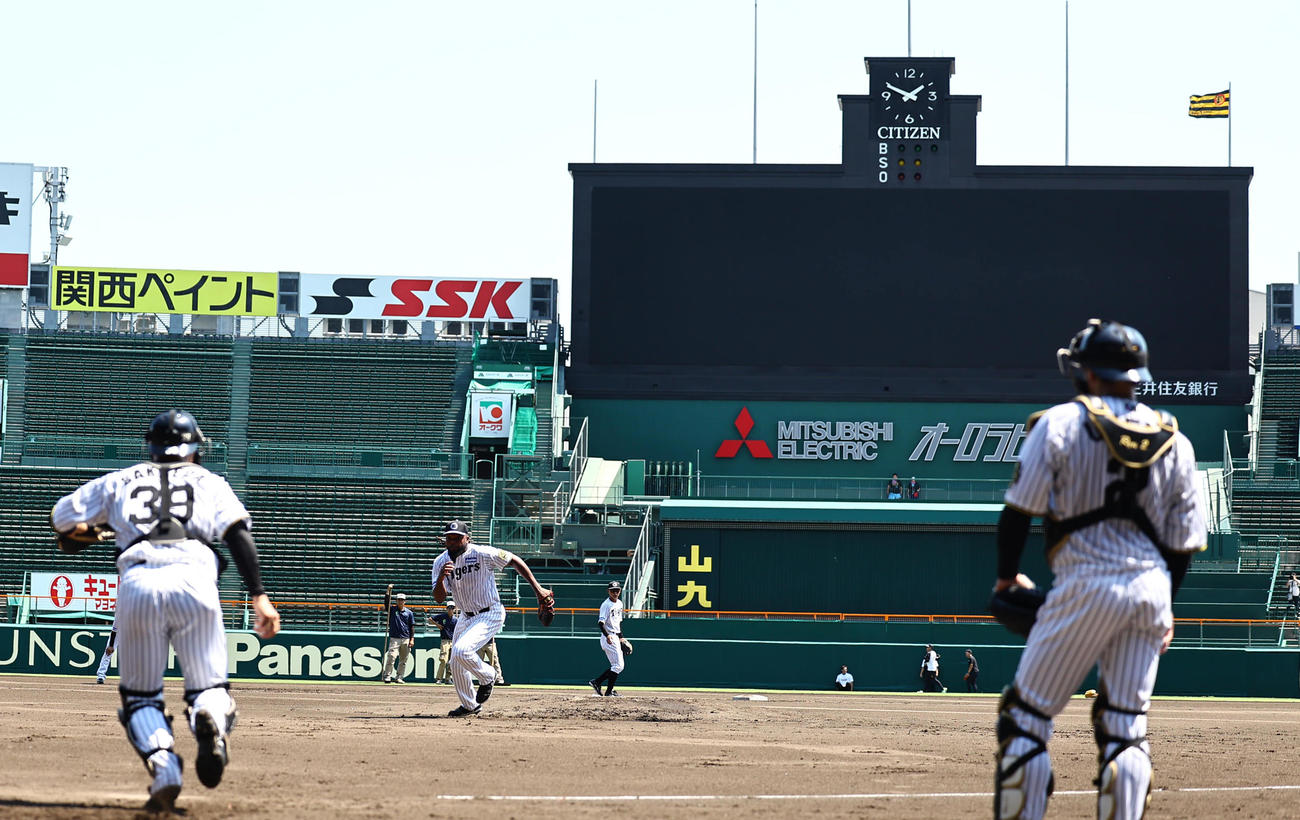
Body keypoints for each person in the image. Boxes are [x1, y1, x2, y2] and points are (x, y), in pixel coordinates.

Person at [992, 319, 1205, 820]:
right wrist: (1167, 605)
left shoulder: (1062, 423)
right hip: (1152, 589)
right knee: (1126, 727)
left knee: (1024, 720)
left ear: (1086, 373)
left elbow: (1019, 510)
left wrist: (1005, 576)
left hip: (1085, 580)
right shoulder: (1177, 439)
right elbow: (1184, 544)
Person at [50, 410, 280, 814]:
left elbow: (62, 520)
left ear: (151, 446)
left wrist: (103, 531)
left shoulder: (120, 480)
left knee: (140, 698)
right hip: (196, 577)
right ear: (195, 448)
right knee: (209, 687)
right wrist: (259, 596)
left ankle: (165, 770)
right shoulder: (210, 481)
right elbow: (238, 536)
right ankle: (208, 715)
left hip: (137, 583)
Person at [432, 520, 551, 716]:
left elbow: (513, 559)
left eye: (457, 538)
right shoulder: (440, 562)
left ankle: (488, 676)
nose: (452, 541)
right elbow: (439, 598)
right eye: (449, 538)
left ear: (467, 538)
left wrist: (538, 590)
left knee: (461, 651)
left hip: (490, 612)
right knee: (455, 662)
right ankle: (470, 705)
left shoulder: (481, 553)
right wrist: (440, 579)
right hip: (466, 616)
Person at [588, 581, 627, 696]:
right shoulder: (606, 605)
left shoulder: (619, 603)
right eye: (612, 590)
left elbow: (617, 623)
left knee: (617, 666)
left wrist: (621, 638)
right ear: (608, 591)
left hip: (615, 636)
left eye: (617, 590)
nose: (615, 593)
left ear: (620, 591)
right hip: (608, 637)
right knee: (618, 666)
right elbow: (601, 623)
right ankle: (603, 686)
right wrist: (607, 635)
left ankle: (601, 685)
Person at [382, 593, 416, 683]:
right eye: (399, 600)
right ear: (396, 601)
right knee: (391, 656)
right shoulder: (392, 609)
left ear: (405, 601)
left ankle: (399, 677)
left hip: (406, 638)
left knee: (403, 660)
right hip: (395, 638)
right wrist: (388, 592)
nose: (400, 601)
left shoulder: (409, 613)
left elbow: (412, 627)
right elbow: (386, 603)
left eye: (402, 600)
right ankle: (387, 675)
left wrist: (412, 639)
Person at [427, 603, 458, 684]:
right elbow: (430, 619)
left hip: (453, 641)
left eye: (452, 608)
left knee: (451, 661)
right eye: (449, 608)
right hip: (445, 640)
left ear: (454, 609)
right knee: (443, 659)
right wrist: (437, 625)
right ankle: (439, 678)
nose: (450, 609)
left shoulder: (456, 620)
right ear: (446, 608)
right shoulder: (442, 616)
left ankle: (448, 678)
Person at [95, 615, 119, 684]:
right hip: (118, 634)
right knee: (108, 653)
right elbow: (114, 632)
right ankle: (101, 676)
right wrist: (111, 646)